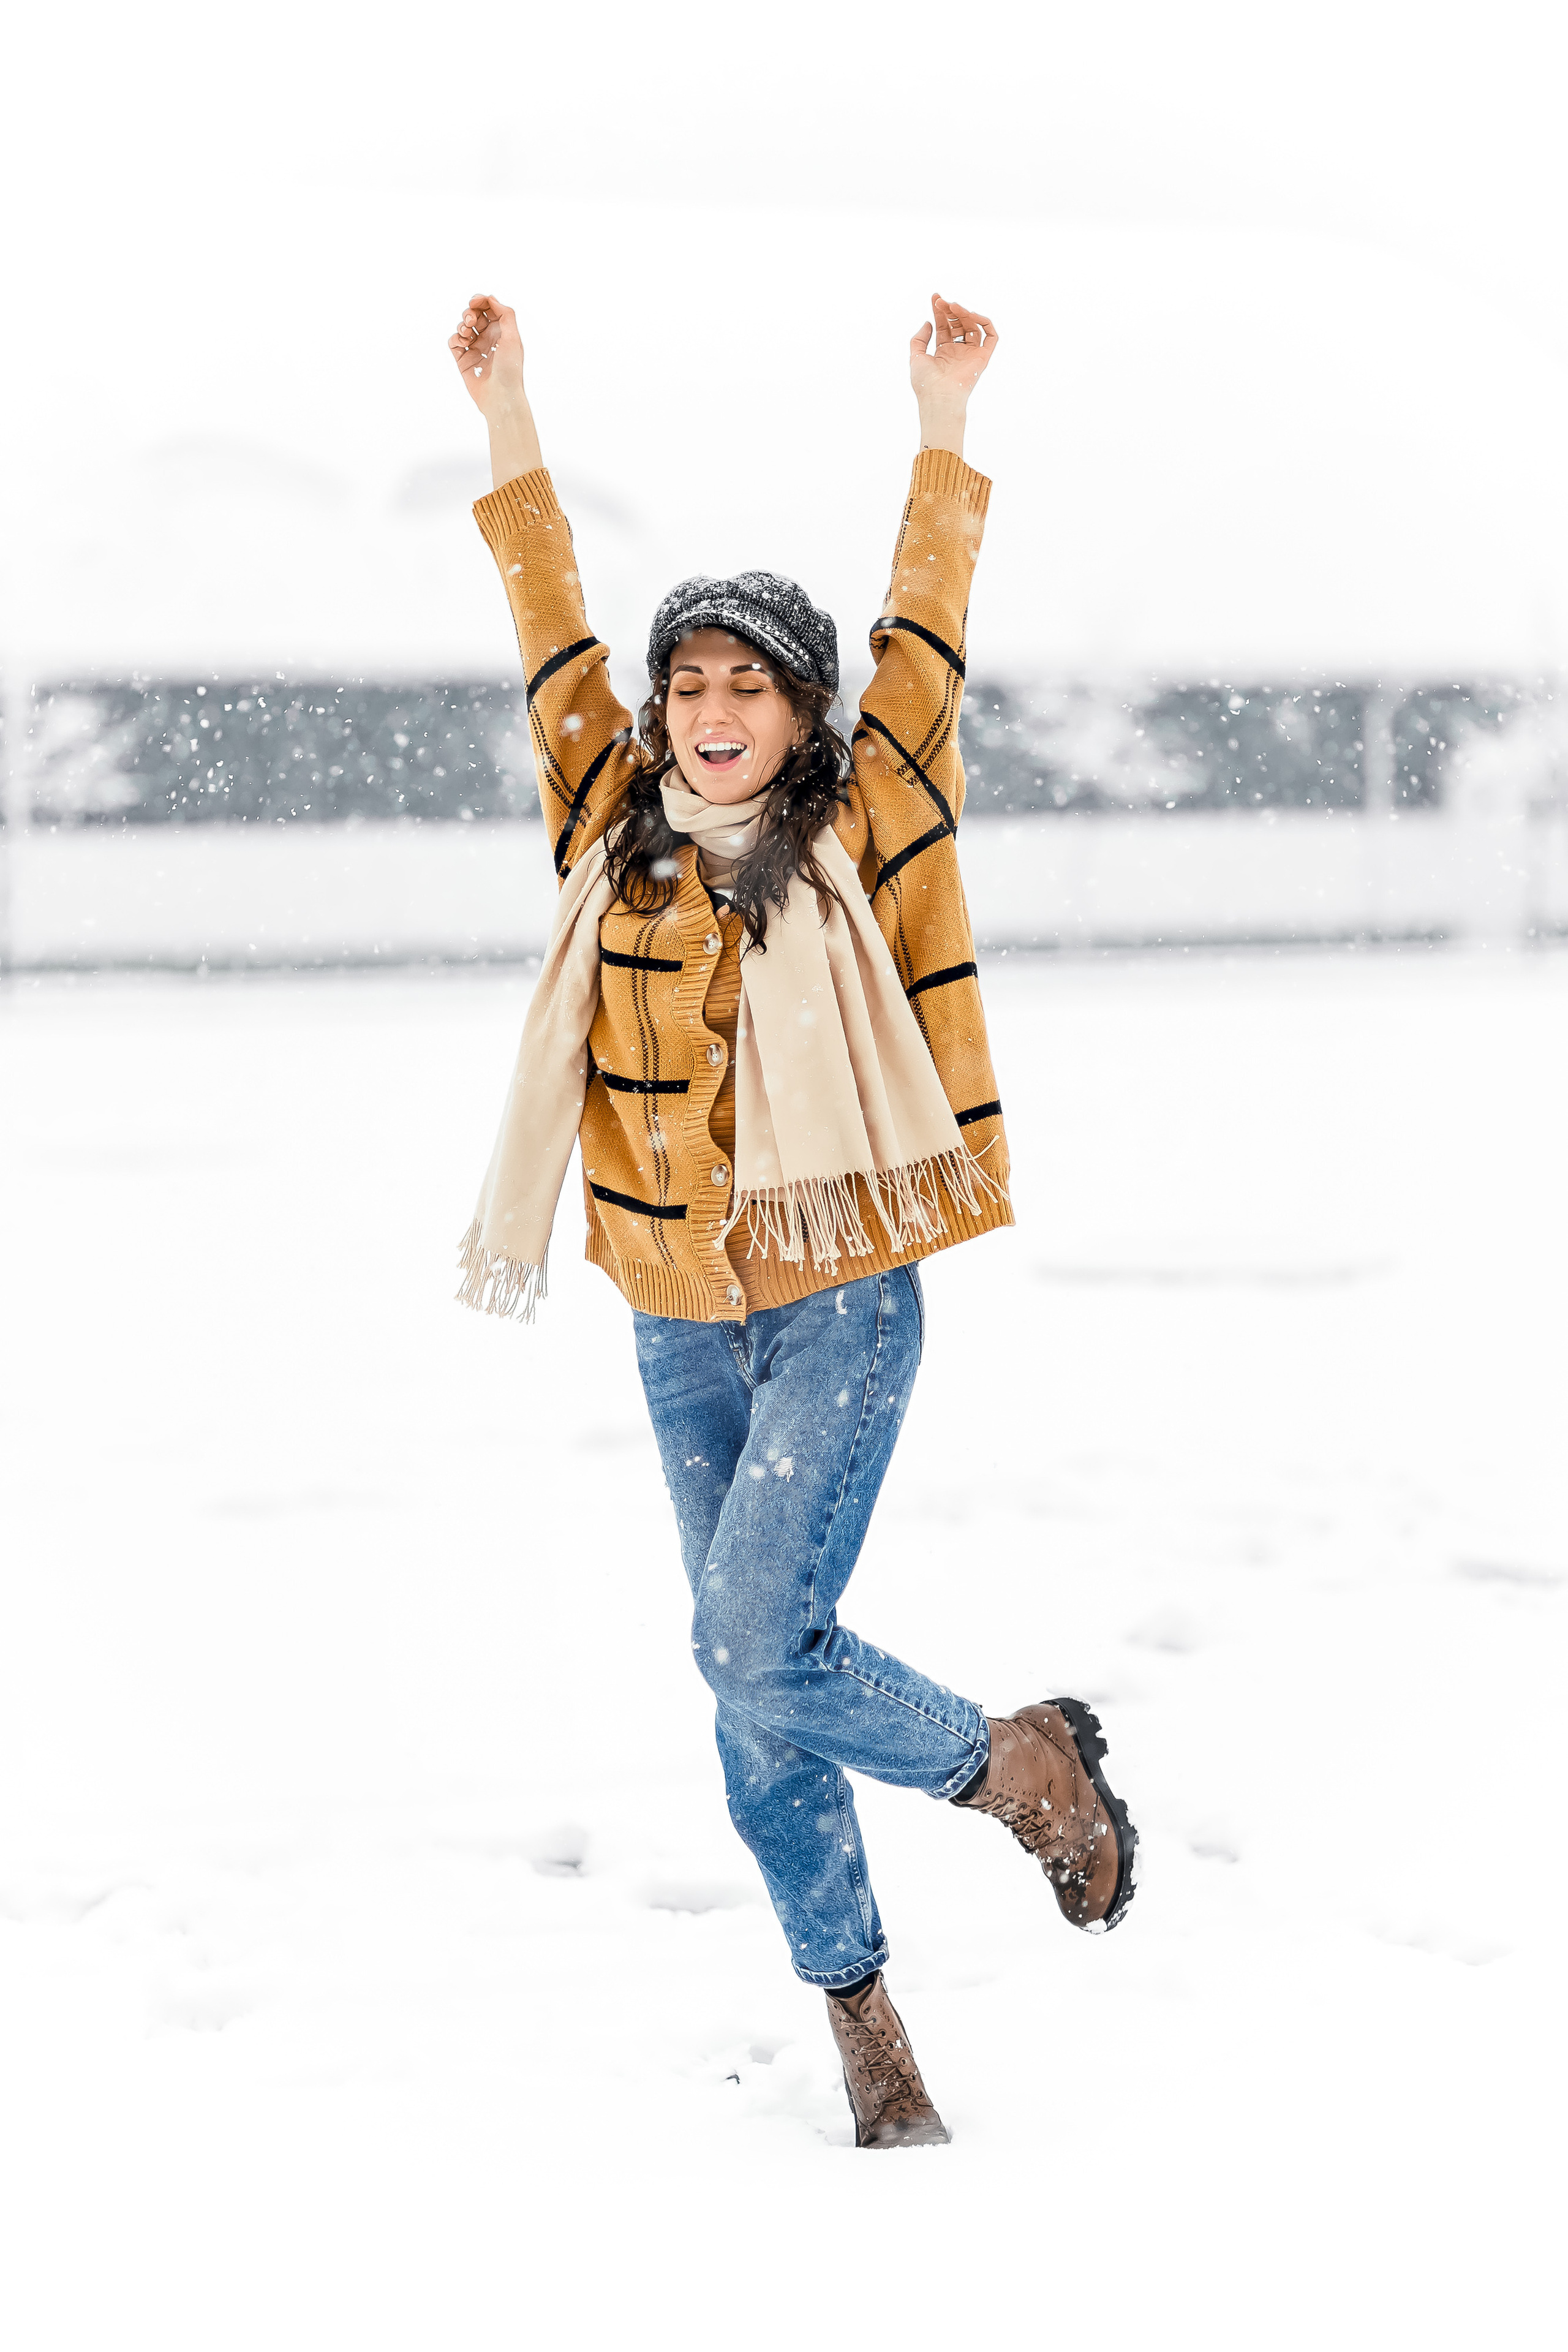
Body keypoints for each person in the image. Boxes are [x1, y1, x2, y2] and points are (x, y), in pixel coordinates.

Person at [447, 288, 1138, 2149]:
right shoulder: (609, 830)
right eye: (688, 682)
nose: (712, 710)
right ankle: (865, 2022)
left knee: (755, 1646)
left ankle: (1016, 1768)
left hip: (840, 1304)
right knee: (754, 1708)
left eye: (750, 682)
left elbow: (930, 629)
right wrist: (509, 413)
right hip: (675, 1313)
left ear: (806, 711)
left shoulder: (870, 822)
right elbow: (542, 618)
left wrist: (944, 418)